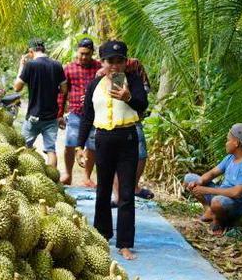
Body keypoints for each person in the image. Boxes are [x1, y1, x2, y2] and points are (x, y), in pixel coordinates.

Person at [76, 40, 149, 260]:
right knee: (103, 190)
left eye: (119, 61)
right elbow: (87, 115)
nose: (115, 66)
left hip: (126, 138)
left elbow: (142, 104)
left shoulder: (133, 81)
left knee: (126, 193)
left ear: (126, 62)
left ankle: (124, 243)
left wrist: (129, 97)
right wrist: (80, 146)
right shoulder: (95, 84)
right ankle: (102, 236)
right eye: (110, 61)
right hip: (103, 140)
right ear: (103, 62)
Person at [183, 123, 242, 236]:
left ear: (236, 143)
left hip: (232, 204)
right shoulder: (230, 158)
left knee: (218, 202)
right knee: (189, 178)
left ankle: (219, 222)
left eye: (227, 140)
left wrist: (206, 190)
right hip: (219, 194)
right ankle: (209, 210)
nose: (226, 143)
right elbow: (212, 173)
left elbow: (236, 192)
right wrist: (199, 182)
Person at [14, 38, 68, 168]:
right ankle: (53, 181)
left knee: (23, 148)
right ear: (44, 49)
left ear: (31, 52)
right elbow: (64, 90)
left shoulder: (30, 65)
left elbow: (17, 87)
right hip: (51, 117)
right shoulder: (57, 65)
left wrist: (22, 66)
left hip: (33, 116)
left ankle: (24, 176)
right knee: (51, 150)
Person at [57, 37, 100, 186]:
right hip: (76, 113)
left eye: (87, 54)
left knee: (92, 145)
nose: (84, 57)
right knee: (70, 144)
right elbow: (62, 93)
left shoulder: (99, 67)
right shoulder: (68, 69)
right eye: (81, 53)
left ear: (92, 53)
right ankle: (68, 174)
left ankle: (87, 177)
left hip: (96, 114)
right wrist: (59, 114)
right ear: (77, 51)